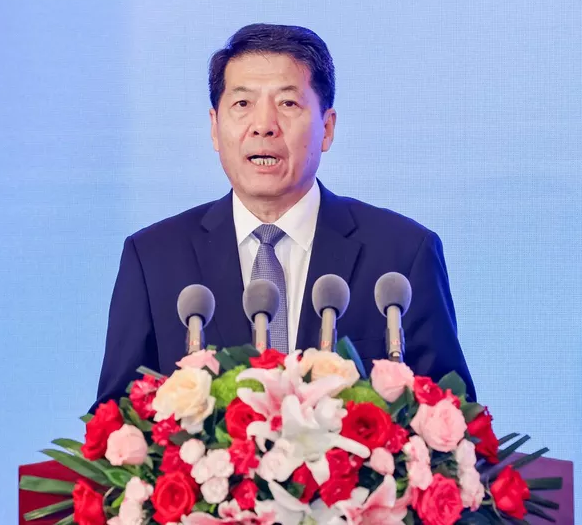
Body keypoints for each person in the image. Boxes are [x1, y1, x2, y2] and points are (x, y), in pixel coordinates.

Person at [94, 23, 476, 408]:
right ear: (214, 127)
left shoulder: (403, 253)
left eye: (288, 104)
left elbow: (452, 415)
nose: (263, 126)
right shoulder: (154, 258)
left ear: (327, 128)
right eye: (242, 104)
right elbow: (115, 421)